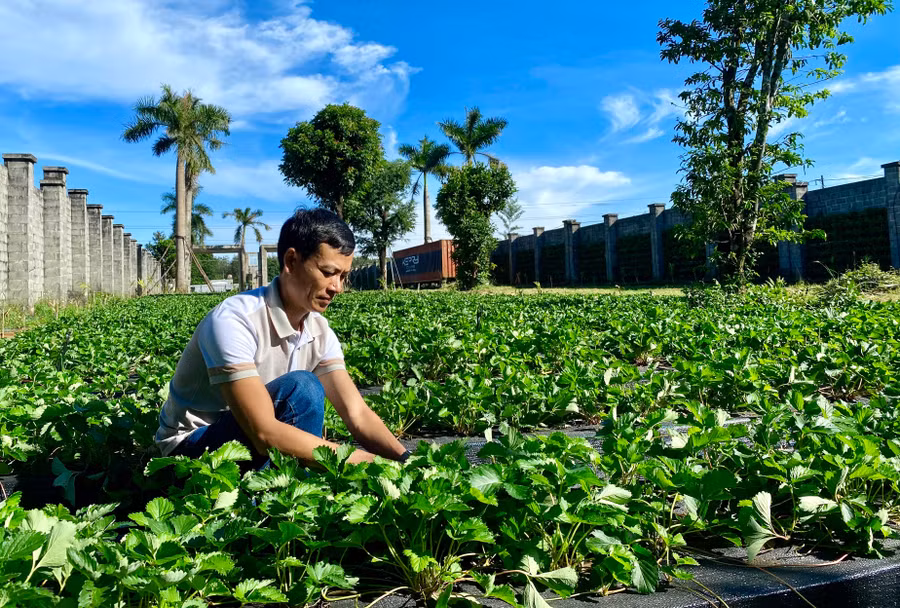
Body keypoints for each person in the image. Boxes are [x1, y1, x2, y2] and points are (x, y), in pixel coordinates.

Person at [154, 209, 410, 467]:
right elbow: (264, 433)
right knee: (303, 389)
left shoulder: (319, 331)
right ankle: (278, 497)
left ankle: (285, 491)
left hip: (254, 437)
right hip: (191, 448)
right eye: (328, 272)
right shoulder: (234, 319)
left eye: (343, 276)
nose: (337, 288)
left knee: (303, 395)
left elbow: (357, 415)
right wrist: (365, 462)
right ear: (291, 261)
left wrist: (406, 461)